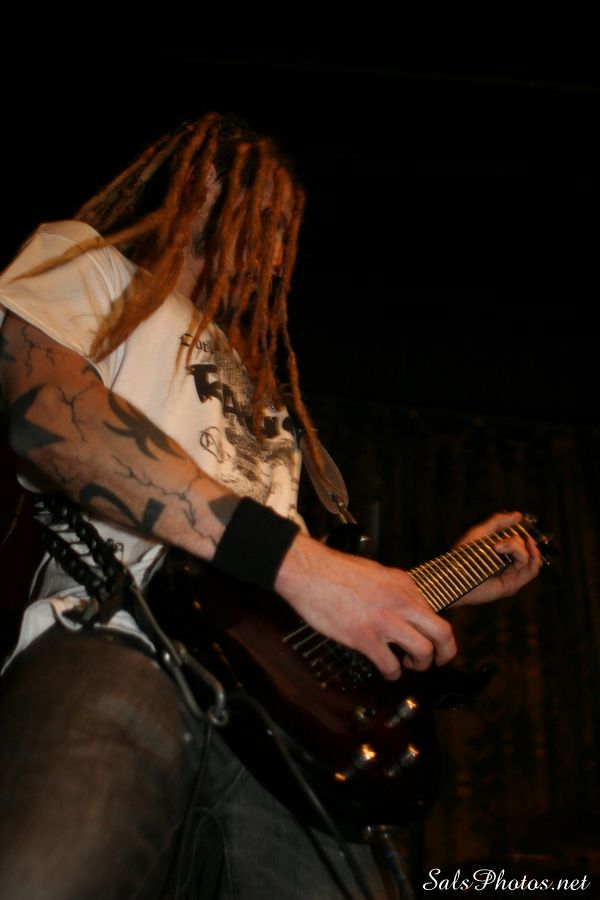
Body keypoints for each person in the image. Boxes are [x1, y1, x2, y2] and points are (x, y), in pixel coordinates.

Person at [0, 113, 542, 899]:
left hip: (283, 733)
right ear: (198, 187)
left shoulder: (270, 407)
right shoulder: (87, 265)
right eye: (263, 213)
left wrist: (446, 577)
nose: (277, 250)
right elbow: (55, 420)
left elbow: (294, 599)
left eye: (288, 235)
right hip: (120, 637)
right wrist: (303, 567)